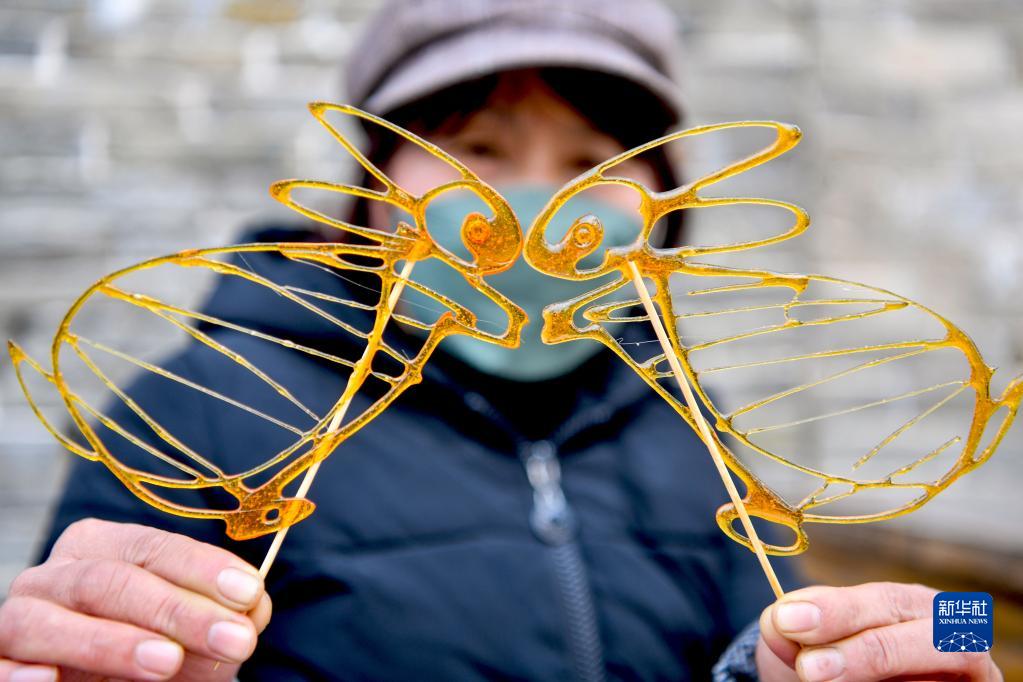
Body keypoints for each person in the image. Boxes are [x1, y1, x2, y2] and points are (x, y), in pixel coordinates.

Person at [0, 1, 1003, 681]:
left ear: (663, 207)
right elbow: (88, 649)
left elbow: (766, 633)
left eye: (591, 161)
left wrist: (819, 661)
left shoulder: (687, 422)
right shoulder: (198, 412)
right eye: (475, 149)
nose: (531, 206)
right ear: (370, 192)